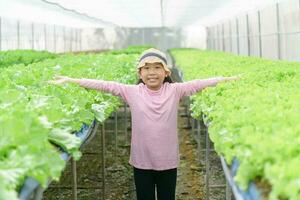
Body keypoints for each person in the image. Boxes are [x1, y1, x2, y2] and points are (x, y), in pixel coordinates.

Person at [49, 48, 239, 200]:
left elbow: (198, 83)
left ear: (166, 72)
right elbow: (105, 85)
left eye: (157, 68)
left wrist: (225, 80)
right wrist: (72, 80)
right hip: (141, 161)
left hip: (167, 161)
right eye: (146, 68)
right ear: (140, 73)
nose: (152, 72)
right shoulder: (132, 92)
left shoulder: (175, 91)